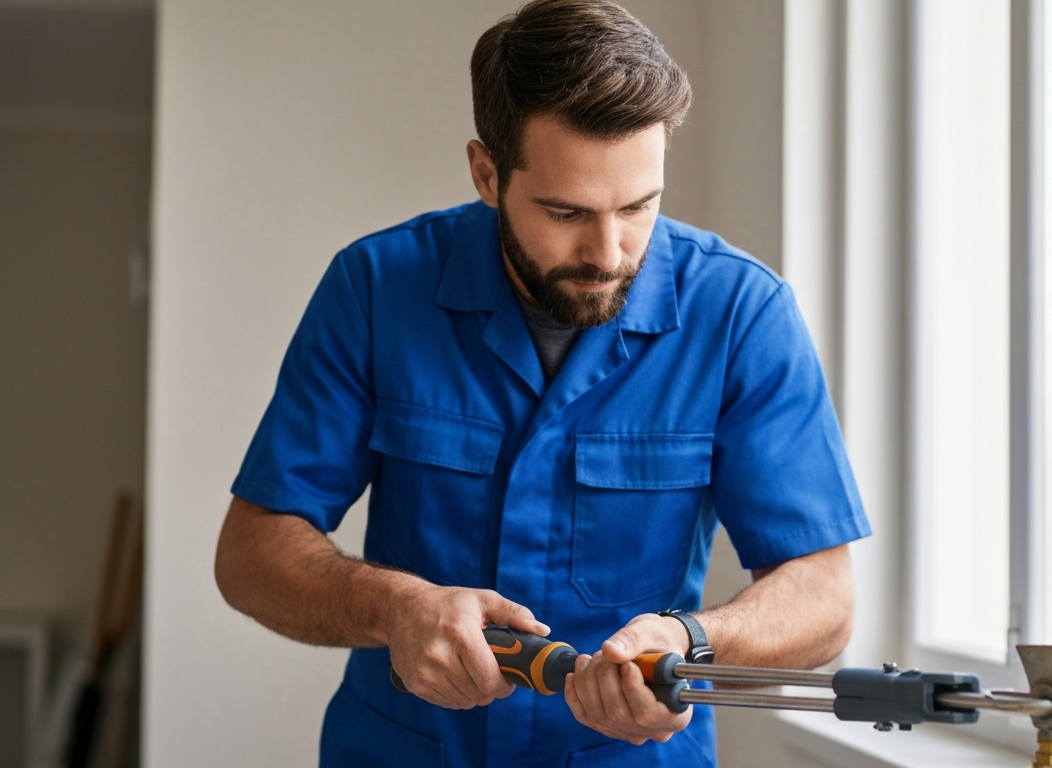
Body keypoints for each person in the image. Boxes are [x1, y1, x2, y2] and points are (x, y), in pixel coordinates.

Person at [213, 1, 869, 765]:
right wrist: (395, 607)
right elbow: (252, 553)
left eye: (639, 207)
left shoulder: (742, 313)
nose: (608, 252)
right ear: (486, 173)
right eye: (566, 212)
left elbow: (823, 596)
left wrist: (691, 641)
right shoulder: (375, 287)